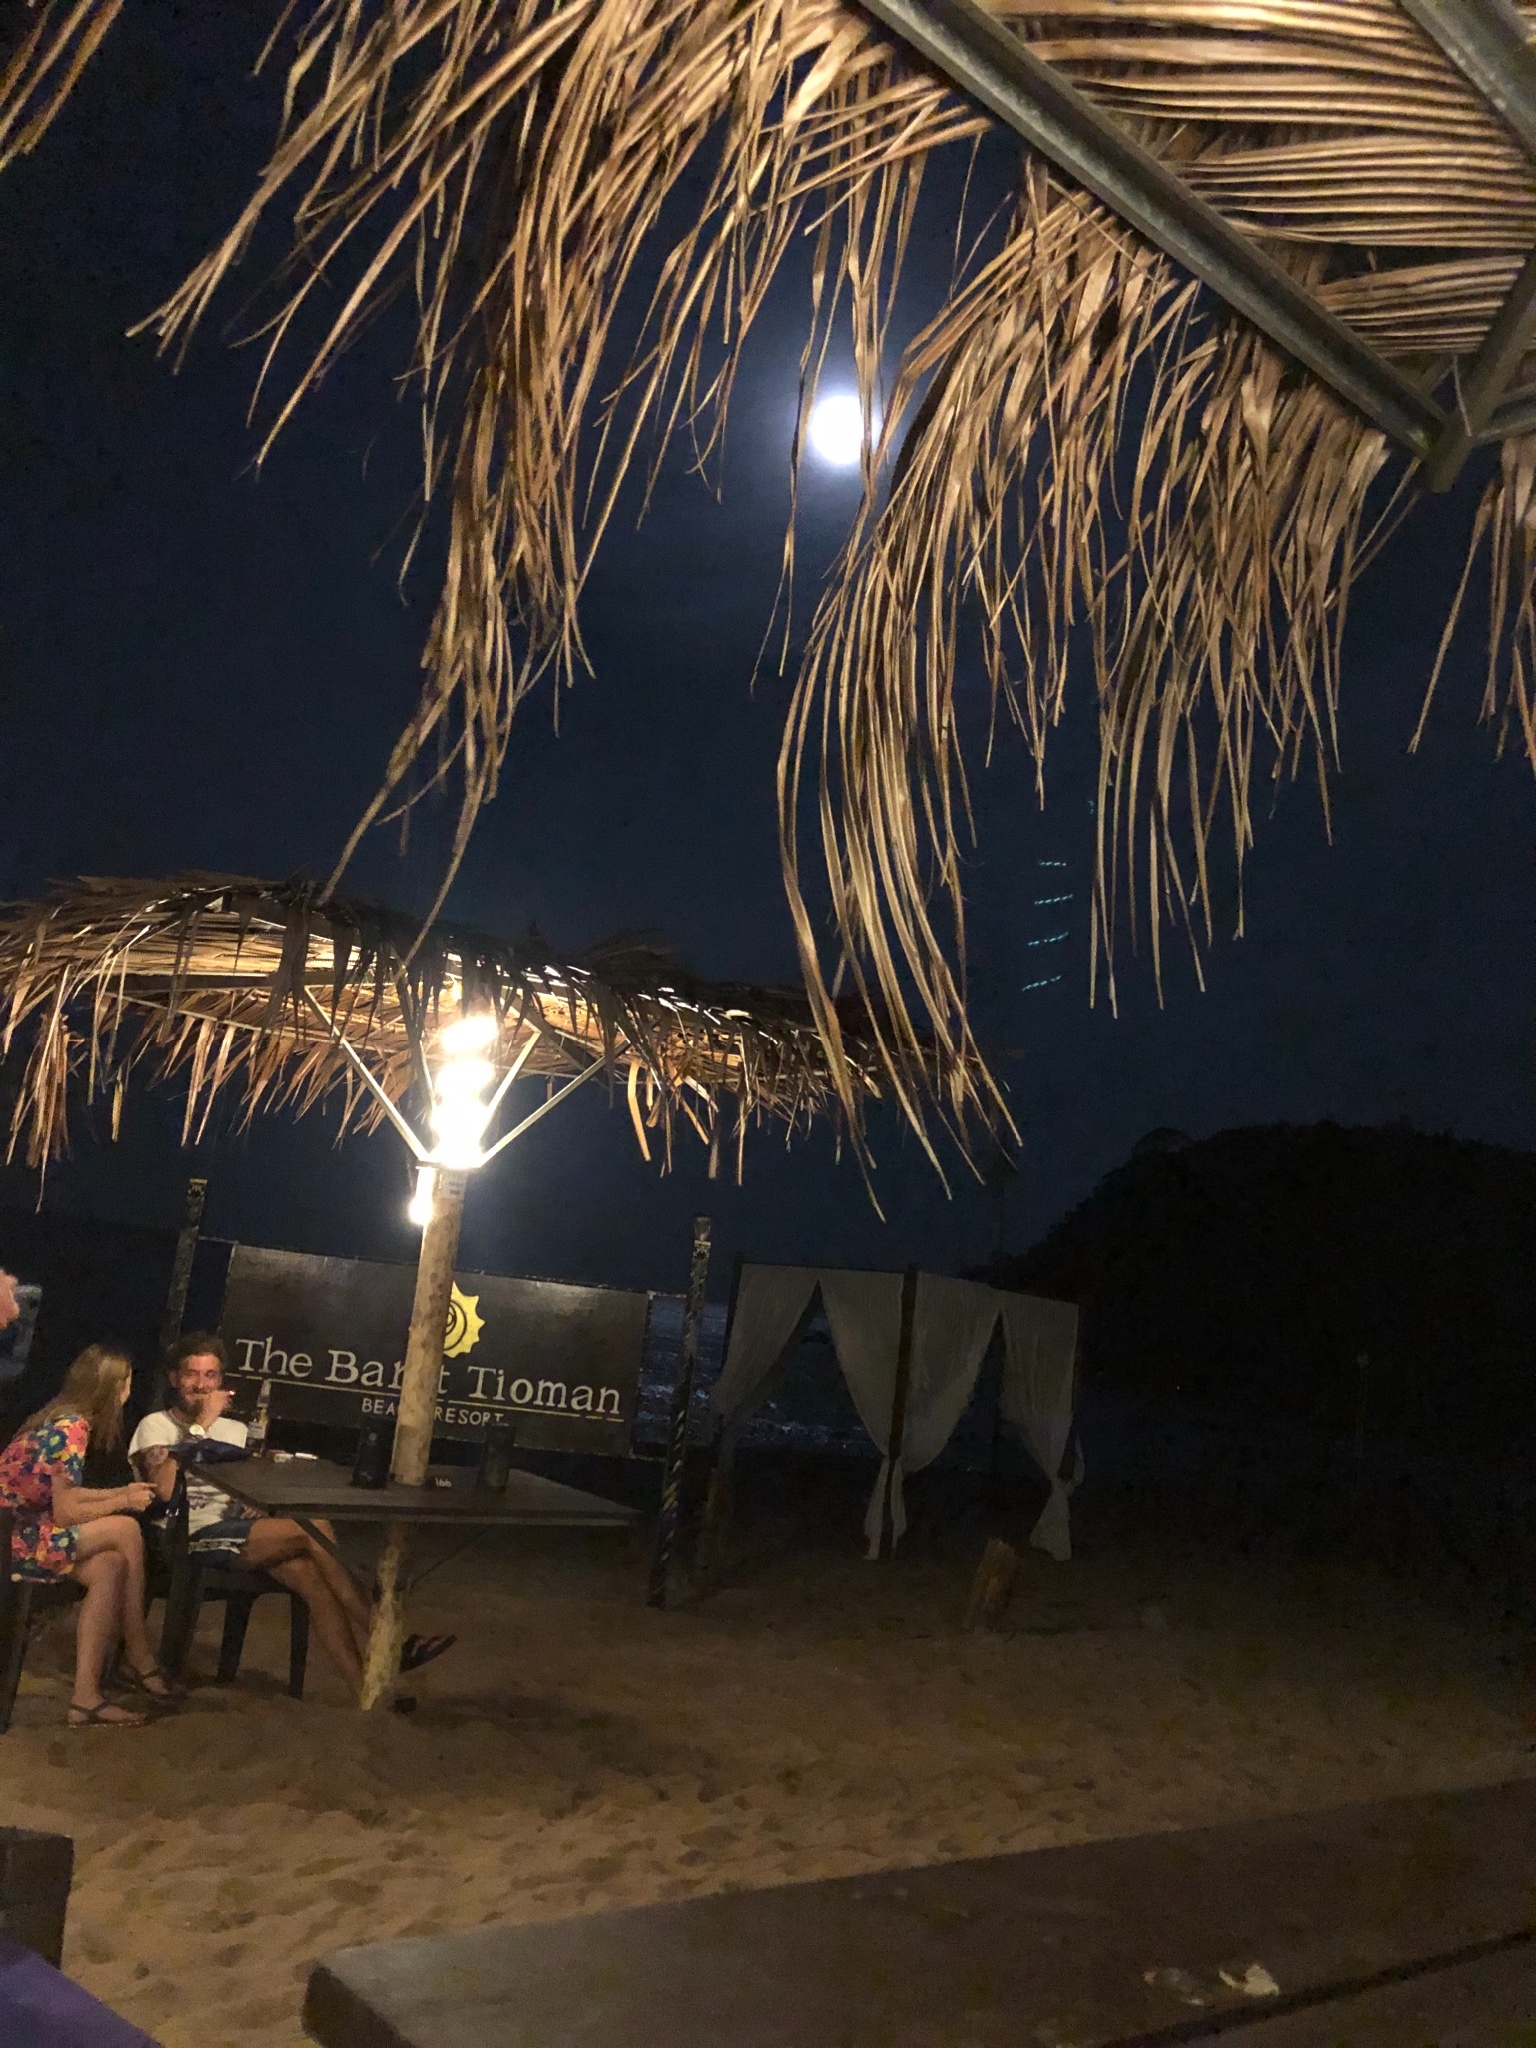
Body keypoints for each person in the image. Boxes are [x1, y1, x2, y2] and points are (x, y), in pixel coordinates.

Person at [130, 1334, 452, 1697]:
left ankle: (366, 1694)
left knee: (310, 1574)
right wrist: (201, 1426)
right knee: (311, 1528)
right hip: (186, 1534)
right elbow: (166, 1490)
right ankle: (390, 1641)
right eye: (192, 1375)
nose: (202, 1385)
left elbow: (249, 1483)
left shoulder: (236, 1430)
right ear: (175, 1379)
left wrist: (255, 1501)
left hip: (239, 1530)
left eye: (211, 1375)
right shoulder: (155, 1425)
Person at [0, 1343, 178, 1727]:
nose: (129, 1391)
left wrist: (122, 1493)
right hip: (12, 1538)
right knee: (126, 1528)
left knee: (109, 1565)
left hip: (26, 1528)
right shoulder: (71, 1430)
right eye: (126, 1383)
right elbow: (67, 1513)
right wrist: (124, 1502)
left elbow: (67, 1497)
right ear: (112, 1389)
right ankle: (138, 1650)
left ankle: (85, 1698)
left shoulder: (61, 1419)